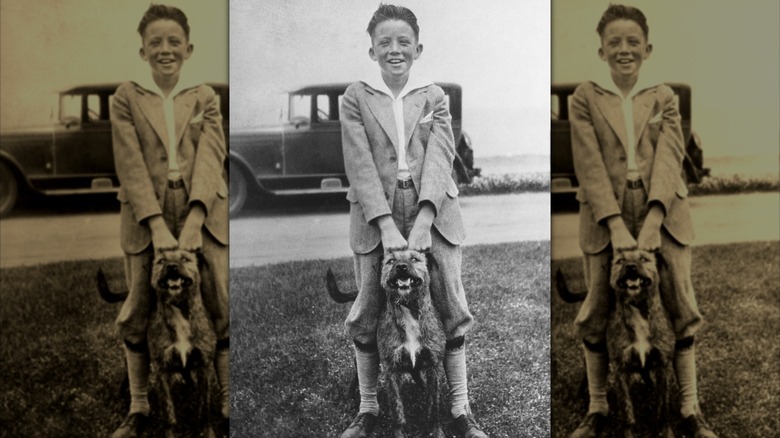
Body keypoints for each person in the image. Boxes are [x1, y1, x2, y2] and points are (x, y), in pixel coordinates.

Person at [338, 4, 488, 438]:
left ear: (418, 48)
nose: (394, 50)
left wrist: (425, 217)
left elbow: (442, 156)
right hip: (373, 216)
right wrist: (386, 226)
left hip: (435, 213)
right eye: (384, 42)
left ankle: (460, 412)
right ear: (372, 51)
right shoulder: (356, 96)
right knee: (367, 309)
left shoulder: (434, 96)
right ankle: (367, 410)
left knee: (452, 306)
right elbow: (360, 163)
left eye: (403, 41)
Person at [568, 4, 717, 437]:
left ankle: (689, 412)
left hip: (666, 215)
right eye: (614, 42)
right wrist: (615, 225)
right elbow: (589, 164)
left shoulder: (664, 96)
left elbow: (671, 158)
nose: (624, 50)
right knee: (596, 310)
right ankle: (598, 409)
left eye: (633, 42)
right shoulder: (585, 97)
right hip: (602, 217)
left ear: (647, 49)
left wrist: (654, 218)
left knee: (683, 308)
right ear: (601, 51)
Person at [109, 4, 229, 437]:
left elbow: (213, 154)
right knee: (139, 305)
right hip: (145, 216)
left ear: (188, 48)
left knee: (217, 301)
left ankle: (225, 404)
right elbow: (130, 163)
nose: (165, 50)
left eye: (174, 42)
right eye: (155, 42)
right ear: (142, 50)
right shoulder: (126, 96)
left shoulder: (204, 96)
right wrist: (157, 227)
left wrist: (196, 216)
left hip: (203, 210)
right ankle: (139, 407)